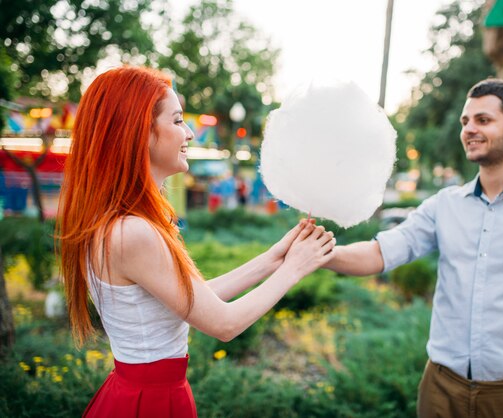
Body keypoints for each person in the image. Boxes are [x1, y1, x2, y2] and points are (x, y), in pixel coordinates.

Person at [57, 67, 336, 418]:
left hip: (141, 394)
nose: (189, 133)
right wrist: (295, 268)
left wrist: (274, 259)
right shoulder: (132, 232)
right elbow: (224, 324)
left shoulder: (121, 223)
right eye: (177, 121)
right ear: (139, 132)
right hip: (149, 403)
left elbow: (193, 298)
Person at [324, 78, 503, 417]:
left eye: (482, 120)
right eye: (465, 121)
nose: (469, 129)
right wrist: (321, 254)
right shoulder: (443, 205)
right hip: (439, 390)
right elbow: (379, 253)